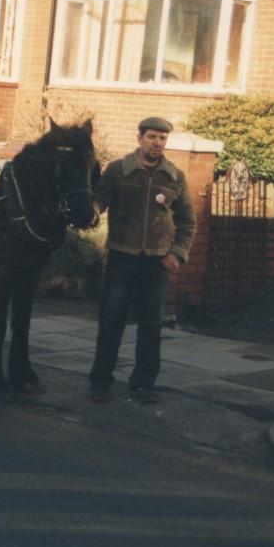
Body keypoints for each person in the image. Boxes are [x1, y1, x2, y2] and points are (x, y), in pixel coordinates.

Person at [87, 117, 196, 404]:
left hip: (157, 264)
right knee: (111, 323)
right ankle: (100, 383)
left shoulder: (174, 177)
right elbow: (98, 201)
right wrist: (91, 211)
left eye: (162, 138)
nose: (157, 143)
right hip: (122, 258)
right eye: (152, 137)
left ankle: (143, 385)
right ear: (140, 138)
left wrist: (177, 252)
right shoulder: (118, 170)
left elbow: (187, 221)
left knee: (151, 326)